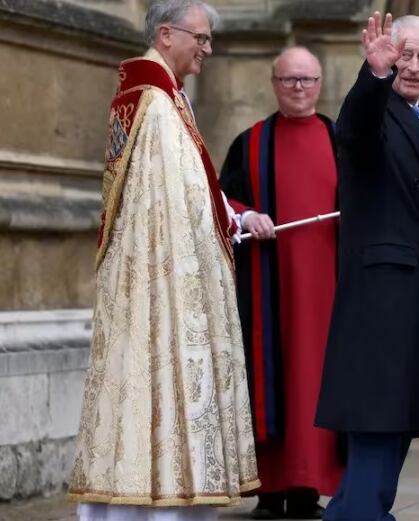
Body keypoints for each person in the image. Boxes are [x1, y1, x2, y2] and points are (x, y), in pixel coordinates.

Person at [67, 1, 260, 520]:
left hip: (168, 276)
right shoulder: (152, 101)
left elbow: (195, 186)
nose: (208, 49)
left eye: (210, 39)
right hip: (161, 282)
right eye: (201, 37)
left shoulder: (168, 96)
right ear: (167, 34)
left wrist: (233, 220)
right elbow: (163, 205)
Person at [314, 12, 419, 521]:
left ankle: (355, 511)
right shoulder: (379, 108)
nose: (411, 66)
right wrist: (373, 76)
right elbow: (354, 132)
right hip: (379, 293)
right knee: (377, 415)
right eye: (403, 55)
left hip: (411, 291)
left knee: (396, 419)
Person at [220, 46, 343, 520]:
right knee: (268, 380)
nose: (298, 88)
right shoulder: (249, 144)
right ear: (274, 83)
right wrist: (248, 215)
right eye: (289, 80)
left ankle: (308, 490)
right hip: (266, 291)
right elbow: (220, 200)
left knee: (316, 382)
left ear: (320, 84)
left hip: (328, 292)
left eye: (307, 80)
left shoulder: (341, 140)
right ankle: (269, 491)